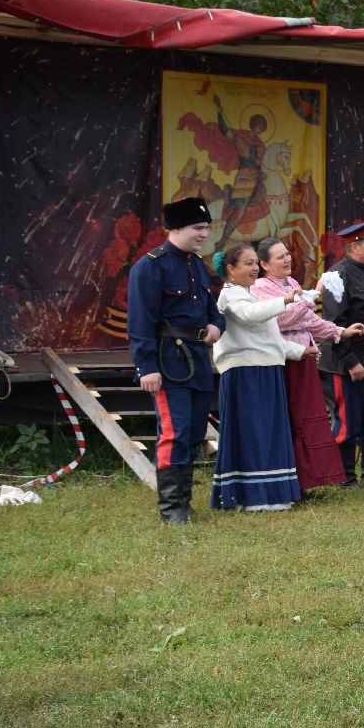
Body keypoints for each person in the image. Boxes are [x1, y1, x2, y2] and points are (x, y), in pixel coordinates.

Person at [127, 196, 225, 525]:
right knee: (174, 432)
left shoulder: (197, 265)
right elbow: (140, 322)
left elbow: (213, 311)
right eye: (198, 228)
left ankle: (184, 501)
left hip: (197, 359)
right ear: (176, 228)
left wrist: (216, 325)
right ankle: (171, 510)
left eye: (206, 228)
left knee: (195, 433)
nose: (204, 234)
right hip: (168, 361)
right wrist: (147, 367)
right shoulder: (150, 266)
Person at [254, 237, 364, 490]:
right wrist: (314, 293)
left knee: (308, 417)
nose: (287, 259)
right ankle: (287, 480)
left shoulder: (291, 283)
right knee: (290, 417)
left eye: (287, 254)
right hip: (284, 360)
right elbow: (282, 319)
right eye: (280, 257)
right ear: (264, 264)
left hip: (305, 358)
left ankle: (308, 479)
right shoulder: (261, 287)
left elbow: (309, 321)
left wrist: (340, 331)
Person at [209, 244, 307, 511]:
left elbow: (267, 339)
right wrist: (284, 300)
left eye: (255, 263)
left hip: (264, 371)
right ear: (231, 269)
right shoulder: (230, 296)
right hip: (246, 375)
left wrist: (299, 351)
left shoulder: (249, 295)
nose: (254, 268)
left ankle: (272, 495)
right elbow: (249, 317)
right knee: (254, 433)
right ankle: (252, 497)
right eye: (248, 263)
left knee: (268, 433)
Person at [318, 218, 364, 487]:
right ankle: (345, 478)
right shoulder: (337, 276)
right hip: (349, 364)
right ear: (355, 246)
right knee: (348, 423)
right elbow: (334, 325)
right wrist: (350, 362)